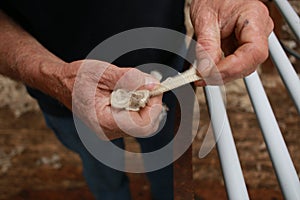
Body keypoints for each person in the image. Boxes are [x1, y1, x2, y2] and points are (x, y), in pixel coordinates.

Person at [0, 0, 273, 199]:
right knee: (99, 167)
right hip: (61, 91)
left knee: (167, 154)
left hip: (168, 65)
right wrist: (54, 77)